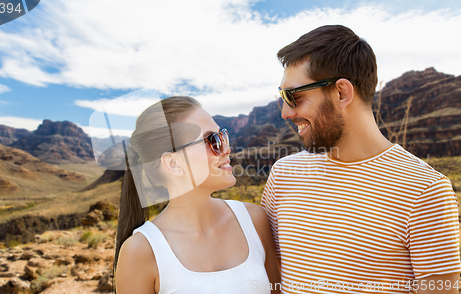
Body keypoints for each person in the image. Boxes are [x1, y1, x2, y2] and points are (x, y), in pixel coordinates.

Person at [261, 25, 461, 293]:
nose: (285, 112)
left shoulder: (426, 191)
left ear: (342, 92)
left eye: (293, 96)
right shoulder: (283, 174)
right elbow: (271, 274)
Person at [115, 96, 281, 294]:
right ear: (174, 163)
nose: (227, 149)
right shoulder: (141, 251)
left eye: (223, 135)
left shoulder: (255, 220)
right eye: (212, 140)